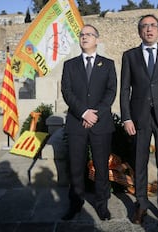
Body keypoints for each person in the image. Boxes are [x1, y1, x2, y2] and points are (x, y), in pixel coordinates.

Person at [120, 14, 158, 226]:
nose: (149, 29)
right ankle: (141, 205)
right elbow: (124, 90)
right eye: (144, 26)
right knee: (139, 163)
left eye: (153, 25)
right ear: (139, 31)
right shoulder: (129, 56)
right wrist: (126, 118)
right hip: (139, 119)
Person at [60, 24, 117, 221]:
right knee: (76, 167)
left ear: (97, 39)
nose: (85, 37)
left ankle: (102, 205)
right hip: (77, 123)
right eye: (82, 35)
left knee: (102, 167)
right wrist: (84, 113)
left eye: (89, 34)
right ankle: (75, 203)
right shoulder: (70, 65)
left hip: (101, 125)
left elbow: (111, 92)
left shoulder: (108, 64)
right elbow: (67, 92)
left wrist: (95, 114)